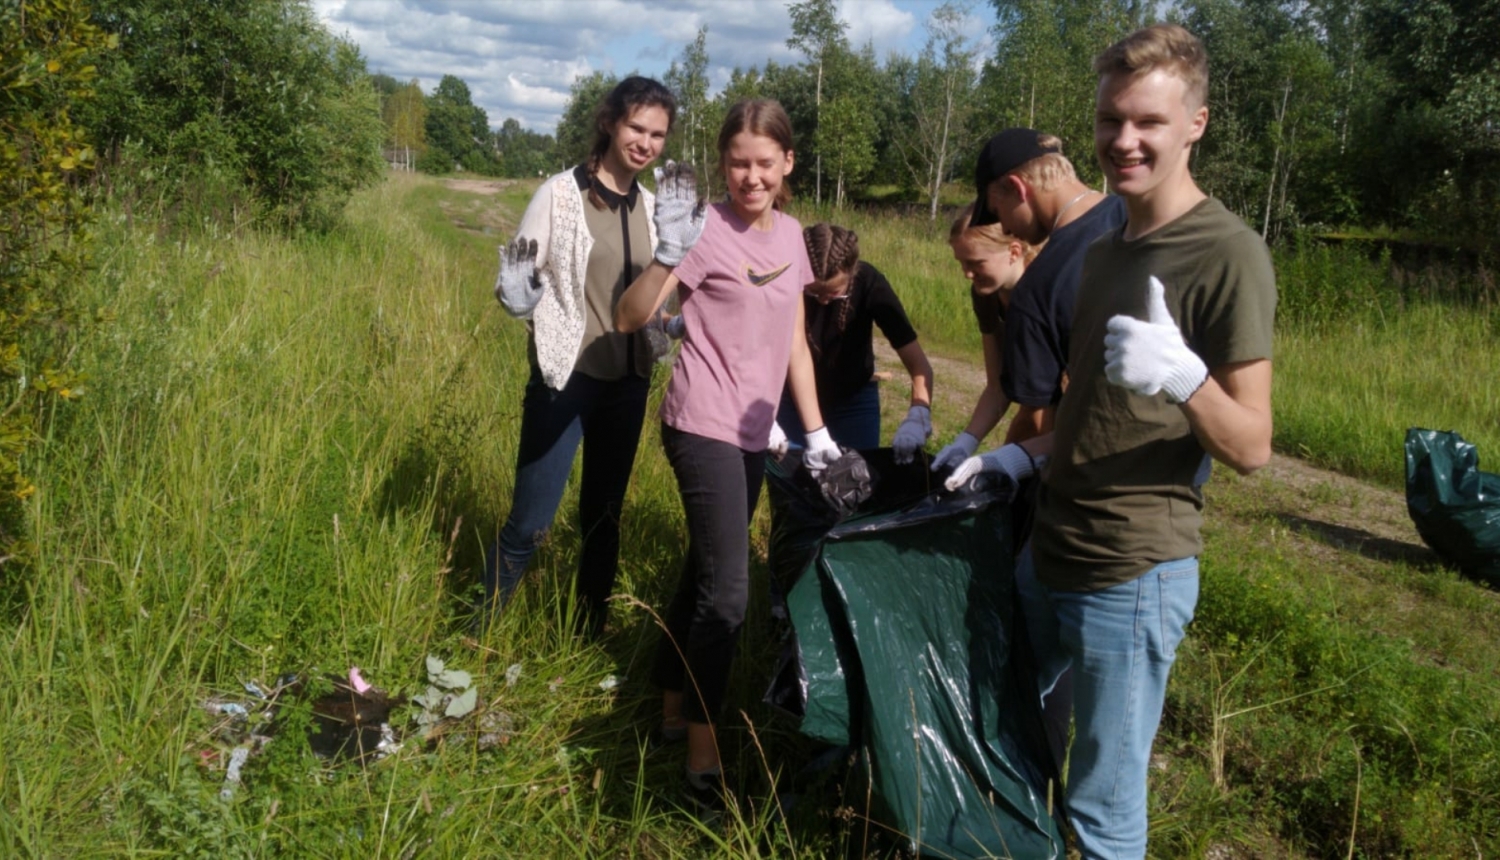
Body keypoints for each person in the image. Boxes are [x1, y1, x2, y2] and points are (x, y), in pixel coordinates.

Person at [949, 25, 1277, 859]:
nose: (1123, 141)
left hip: (1130, 572)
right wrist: (1016, 456)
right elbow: (1088, 415)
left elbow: (1253, 447)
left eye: (1148, 123)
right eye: (1108, 120)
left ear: (1195, 124)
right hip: (1050, 546)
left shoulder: (1228, 254)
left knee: (1102, 804)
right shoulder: (1100, 250)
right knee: (1012, 727)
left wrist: (1184, 380)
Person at [613, 99, 841, 815]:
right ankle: (702, 765)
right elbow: (631, 318)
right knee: (731, 595)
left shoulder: (796, 236)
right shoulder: (702, 228)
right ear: (722, 163)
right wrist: (668, 255)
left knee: (707, 570)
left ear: (788, 164)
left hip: (753, 431)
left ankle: (669, 700)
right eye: (737, 162)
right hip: (699, 422)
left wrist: (820, 436)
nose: (750, 176)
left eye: (764, 163)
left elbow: (795, 343)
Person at [486, 76, 677, 640]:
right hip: (565, 380)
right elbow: (520, 277)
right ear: (611, 123)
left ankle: (585, 632)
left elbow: (657, 302)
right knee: (530, 523)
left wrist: (674, 329)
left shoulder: (652, 208)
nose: (645, 142)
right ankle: (478, 630)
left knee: (603, 519)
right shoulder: (560, 194)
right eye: (637, 128)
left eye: (658, 134)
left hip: (628, 383)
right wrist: (516, 298)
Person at [931, 128, 1127, 474]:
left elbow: (1036, 412)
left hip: (1093, 478)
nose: (1004, 224)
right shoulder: (1135, 213)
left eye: (997, 210)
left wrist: (1007, 461)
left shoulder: (1042, 283)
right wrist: (968, 441)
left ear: (1018, 188)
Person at [767, 222, 934, 462]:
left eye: (834, 293)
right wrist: (766, 414)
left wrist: (919, 414)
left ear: (853, 271)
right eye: (814, 292)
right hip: (791, 401)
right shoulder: (785, 282)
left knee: (857, 483)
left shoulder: (869, 282)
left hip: (853, 402)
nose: (823, 301)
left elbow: (919, 365)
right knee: (794, 487)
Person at [928, 204, 1037, 471]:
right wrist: (966, 442)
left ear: (1014, 251)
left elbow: (1045, 403)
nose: (967, 273)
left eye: (975, 263)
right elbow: (997, 386)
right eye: (961, 263)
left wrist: (1013, 456)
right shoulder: (985, 295)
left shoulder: (1044, 294)